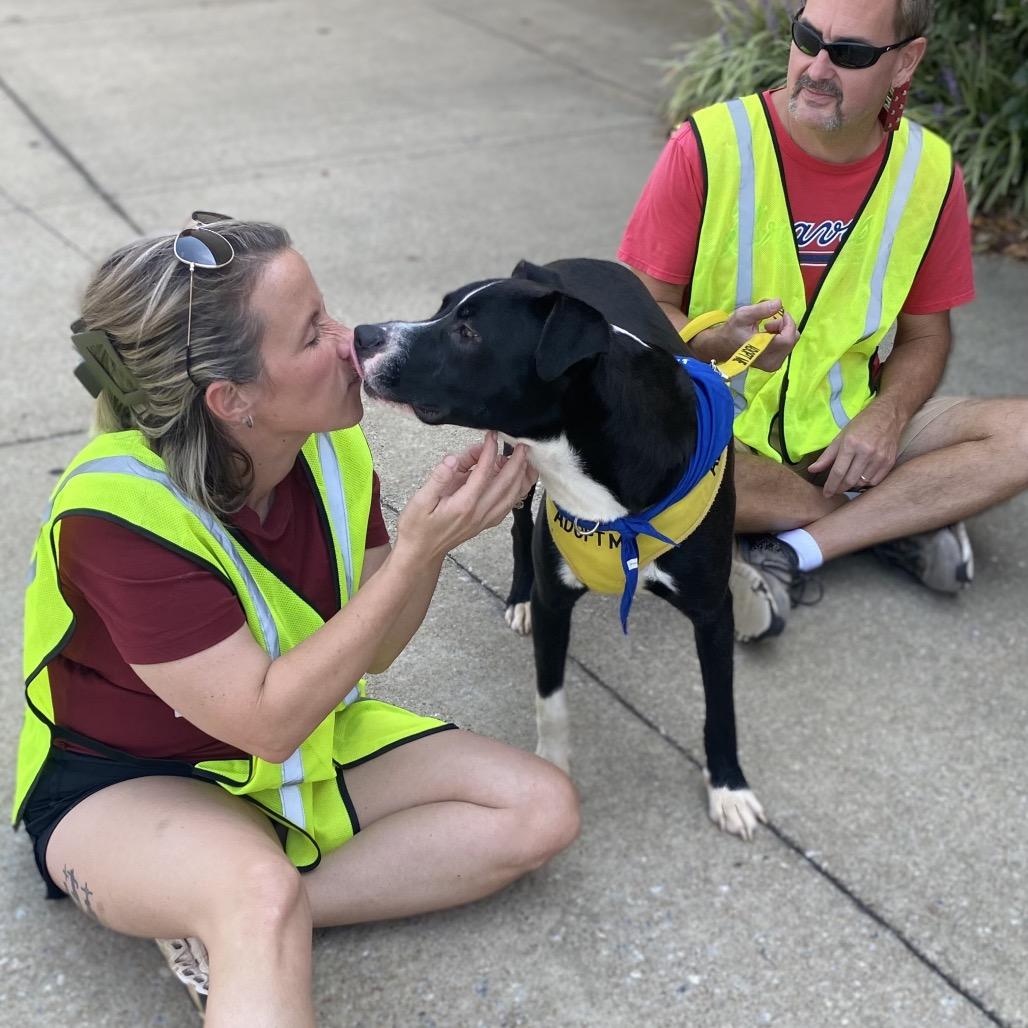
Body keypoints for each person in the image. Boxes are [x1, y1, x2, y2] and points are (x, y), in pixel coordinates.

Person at [13, 215, 580, 1026]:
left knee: (539, 809)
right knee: (256, 895)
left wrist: (430, 541)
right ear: (232, 399)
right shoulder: (118, 509)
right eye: (312, 333)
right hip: (125, 781)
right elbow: (266, 722)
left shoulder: (326, 445)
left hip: (294, 751)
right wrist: (422, 550)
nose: (351, 342)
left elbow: (378, 645)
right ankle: (243, 907)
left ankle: (232, 917)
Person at [618, 0, 1028, 642]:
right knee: (636, 471)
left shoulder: (929, 171)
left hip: (846, 430)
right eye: (807, 38)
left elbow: (926, 334)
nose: (815, 67)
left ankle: (791, 550)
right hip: (712, 431)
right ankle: (891, 518)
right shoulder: (709, 144)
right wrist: (715, 338)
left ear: (905, 63)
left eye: (852, 54)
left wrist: (885, 419)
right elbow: (635, 320)